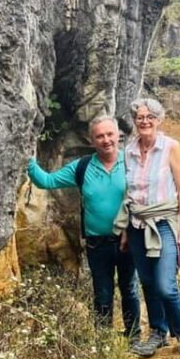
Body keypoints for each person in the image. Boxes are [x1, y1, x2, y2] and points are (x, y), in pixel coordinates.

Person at [26, 115, 140, 342]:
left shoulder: (132, 162)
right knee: (102, 292)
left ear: (119, 135)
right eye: (100, 136)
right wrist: (25, 158)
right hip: (97, 242)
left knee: (129, 289)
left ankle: (133, 336)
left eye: (110, 134)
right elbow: (46, 182)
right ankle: (103, 340)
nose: (106, 140)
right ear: (91, 139)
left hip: (128, 239)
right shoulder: (83, 166)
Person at [116, 97, 180, 359]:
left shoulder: (171, 147)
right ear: (135, 121)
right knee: (147, 283)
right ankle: (158, 333)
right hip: (137, 224)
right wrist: (126, 230)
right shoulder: (128, 151)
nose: (145, 121)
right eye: (140, 117)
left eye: (150, 116)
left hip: (164, 224)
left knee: (164, 285)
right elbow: (128, 193)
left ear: (159, 120)